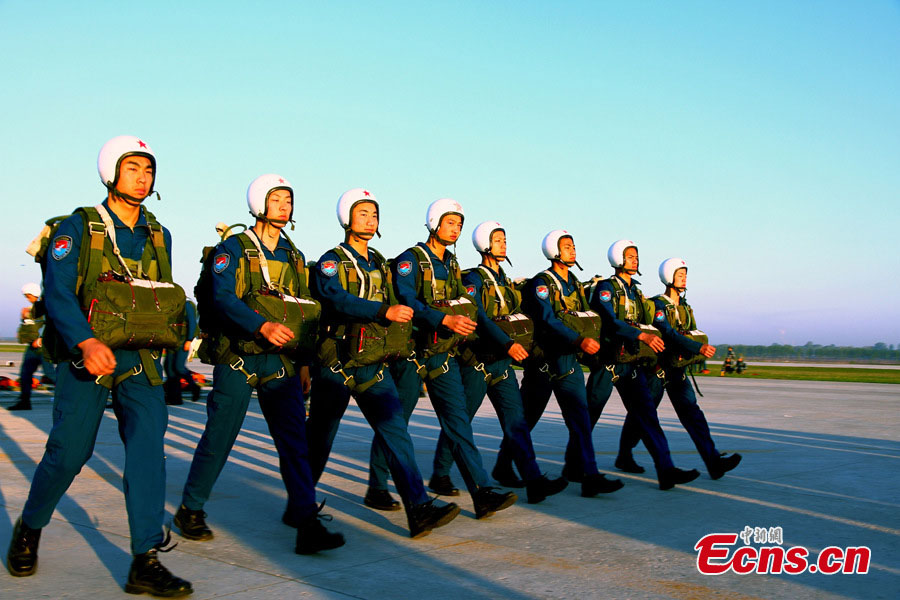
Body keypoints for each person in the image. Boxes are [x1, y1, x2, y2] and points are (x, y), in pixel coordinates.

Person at [6, 136, 192, 596]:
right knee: (69, 454)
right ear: (111, 172)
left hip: (140, 360)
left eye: (148, 170)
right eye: (133, 168)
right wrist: (86, 342)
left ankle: (144, 560)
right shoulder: (79, 227)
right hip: (85, 357)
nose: (143, 177)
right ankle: (30, 526)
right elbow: (58, 292)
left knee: (148, 451)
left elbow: (157, 291)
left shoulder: (159, 233)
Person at [174, 174, 344, 555]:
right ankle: (190, 509)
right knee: (219, 438)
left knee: (295, 443)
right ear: (258, 203)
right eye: (277, 199)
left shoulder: (295, 256)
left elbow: (302, 313)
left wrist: (303, 363)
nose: (284, 206)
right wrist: (261, 324)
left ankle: (306, 520)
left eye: (288, 200)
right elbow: (222, 298)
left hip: (280, 362)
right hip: (238, 356)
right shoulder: (232, 249)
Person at [306, 188, 460, 537]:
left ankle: (418, 508)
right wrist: (381, 311)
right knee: (320, 440)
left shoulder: (378, 262)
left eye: (374, 214)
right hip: (337, 361)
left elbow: (398, 301)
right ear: (346, 219)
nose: (370, 220)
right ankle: (301, 507)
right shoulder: (331, 261)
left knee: (396, 433)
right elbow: (337, 298)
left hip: (372, 361)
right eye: (362, 213)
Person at [368, 199, 517, 519]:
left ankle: (482, 491)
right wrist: (444, 320)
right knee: (396, 423)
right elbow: (408, 302)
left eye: (459, 224)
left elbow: (468, 306)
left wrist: (504, 342)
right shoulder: (411, 260)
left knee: (459, 424)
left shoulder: (450, 264)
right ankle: (377, 485)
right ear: (434, 223)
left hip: (441, 356)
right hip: (411, 356)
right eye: (450, 223)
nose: (456, 229)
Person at [430, 221, 567, 503]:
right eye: (499, 240)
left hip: (502, 365)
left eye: (505, 239)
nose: (504, 244)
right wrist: (508, 343)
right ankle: (440, 473)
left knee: (516, 422)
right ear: (484, 244)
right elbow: (479, 317)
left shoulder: (504, 280)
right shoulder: (473, 280)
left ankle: (533, 481)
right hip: (478, 362)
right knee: (462, 420)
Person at [495, 230, 624, 497]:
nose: (572, 250)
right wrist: (580, 341)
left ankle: (589, 476)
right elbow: (547, 319)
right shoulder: (541, 284)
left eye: (573, 246)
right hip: (543, 363)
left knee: (581, 420)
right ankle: (503, 465)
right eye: (566, 247)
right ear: (554, 251)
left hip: (568, 363)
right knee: (526, 420)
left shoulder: (574, 283)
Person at [582, 240, 701, 490]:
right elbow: (610, 321)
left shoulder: (636, 292)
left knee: (648, 415)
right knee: (588, 418)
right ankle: (578, 466)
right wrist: (641, 336)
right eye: (630, 256)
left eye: (636, 256)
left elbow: (647, 324)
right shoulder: (607, 288)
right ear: (618, 259)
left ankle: (666, 470)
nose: (635, 260)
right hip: (608, 363)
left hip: (631, 364)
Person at [616, 258, 742, 480]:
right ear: (668, 277)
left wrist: (695, 350)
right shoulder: (658, 306)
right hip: (657, 371)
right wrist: (698, 347)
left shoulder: (684, 307)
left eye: (685, 274)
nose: (684, 278)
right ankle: (625, 455)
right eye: (680, 274)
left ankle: (713, 462)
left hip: (677, 371)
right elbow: (668, 334)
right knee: (642, 416)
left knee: (693, 415)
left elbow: (689, 332)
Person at [7, 283, 56, 411]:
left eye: (29, 296)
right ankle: (24, 402)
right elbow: (29, 328)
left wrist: (41, 340)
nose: (28, 299)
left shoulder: (46, 305)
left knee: (51, 374)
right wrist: (23, 319)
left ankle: (71, 399)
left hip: (43, 347)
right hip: (33, 348)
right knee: (25, 374)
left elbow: (50, 323)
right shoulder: (32, 309)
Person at [163, 298, 200, 405]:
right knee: (169, 369)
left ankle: (194, 387)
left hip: (183, 340)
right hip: (172, 340)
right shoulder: (169, 305)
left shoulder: (186, 305)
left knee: (178, 367)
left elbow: (192, 323)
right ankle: (174, 397)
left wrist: (189, 340)